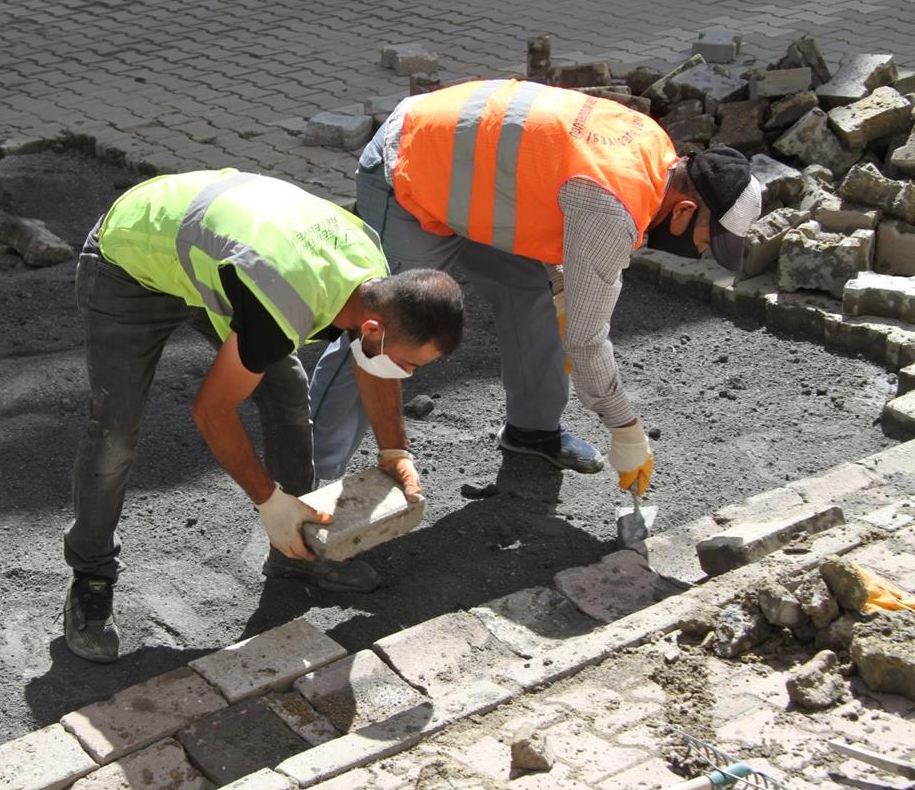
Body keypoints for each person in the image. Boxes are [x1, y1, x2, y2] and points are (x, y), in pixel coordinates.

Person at [64, 169, 465, 663]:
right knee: (116, 430)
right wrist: (268, 501)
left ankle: (294, 553)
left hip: (220, 261)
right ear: (375, 325)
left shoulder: (371, 273)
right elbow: (211, 410)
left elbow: (372, 360)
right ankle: (91, 574)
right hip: (130, 261)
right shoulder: (282, 297)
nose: (407, 373)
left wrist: (393, 450)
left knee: (287, 394)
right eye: (410, 361)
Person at [309, 78, 761, 505]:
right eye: (708, 240)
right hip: (409, 168)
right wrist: (625, 427)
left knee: (532, 290)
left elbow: (543, 179)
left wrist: (564, 283)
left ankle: (532, 430)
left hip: (468, 173)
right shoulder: (615, 205)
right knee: (383, 333)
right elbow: (586, 342)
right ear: (682, 211)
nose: (701, 251)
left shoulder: (655, 151)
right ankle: (314, 476)